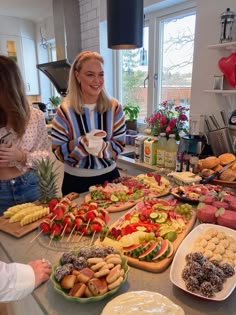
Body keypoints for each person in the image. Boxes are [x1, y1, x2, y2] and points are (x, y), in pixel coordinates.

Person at [51, 50, 126, 195]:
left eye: (101, 75)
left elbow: (120, 145)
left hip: (110, 179)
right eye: (90, 74)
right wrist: (84, 142)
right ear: (77, 75)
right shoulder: (64, 112)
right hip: (76, 182)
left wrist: (99, 147)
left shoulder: (114, 107)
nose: (97, 80)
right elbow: (58, 153)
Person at [0, 55, 50, 215]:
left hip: (29, 185)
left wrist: (21, 156)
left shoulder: (35, 116)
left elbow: (45, 156)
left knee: (35, 236)